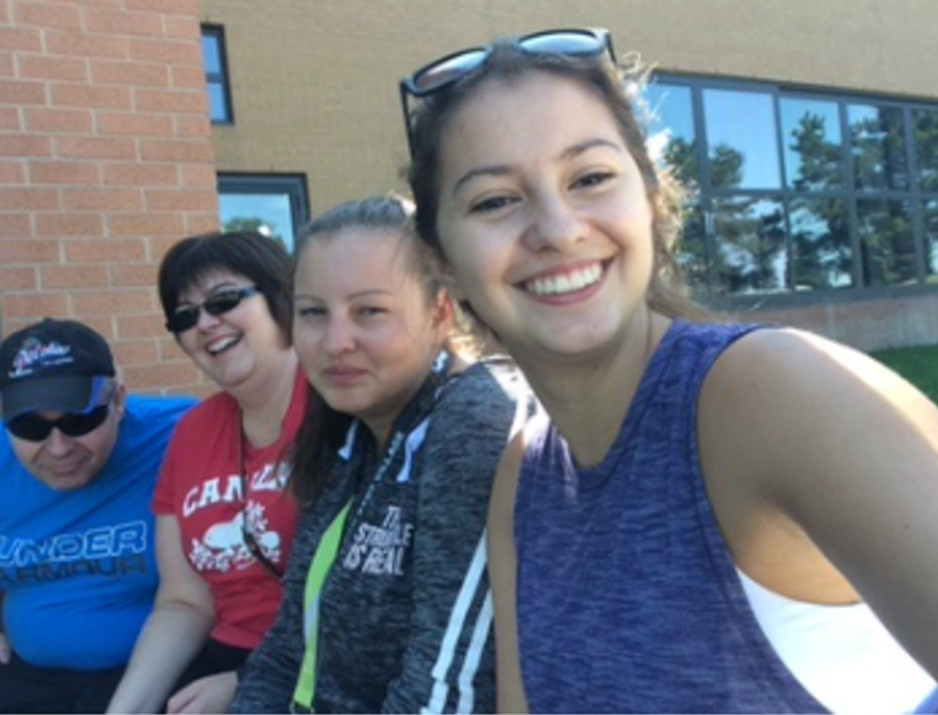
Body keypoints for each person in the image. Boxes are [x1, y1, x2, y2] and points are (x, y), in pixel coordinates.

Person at [399, 28, 938, 713]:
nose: (558, 229)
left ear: (652, 200)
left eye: (590, 178)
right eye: (495, 200)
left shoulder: (775, 393)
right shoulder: (522, 475)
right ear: (442, 262)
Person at [230, 196, 529, 713]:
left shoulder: (475, 420)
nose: (336, 341)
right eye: (313, 313)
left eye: (369, 311)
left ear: (440, 311)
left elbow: (445, 690)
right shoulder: (348, 434)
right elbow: (287, 648)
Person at [106, 231, 308, 714]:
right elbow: (184, 602)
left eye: (225, 300)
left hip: (321, 668)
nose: (206, 323)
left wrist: (250, 684)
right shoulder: (192, 433)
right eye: (185, 315)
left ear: (281, 295)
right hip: (222, 659)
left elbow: (375, 601)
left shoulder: (340, 407)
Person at [0, 318, 195, 713]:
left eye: (79, 420)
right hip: (25, 677)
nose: (58, 448)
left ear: (118, 400)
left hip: (155, 674)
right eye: (29, 426)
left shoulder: (184, 433)